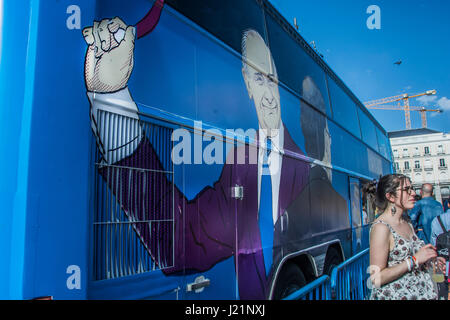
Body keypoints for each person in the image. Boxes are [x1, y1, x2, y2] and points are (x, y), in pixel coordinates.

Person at [83, 20, 310, 299]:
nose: (270, 97)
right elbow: (183, 239)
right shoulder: (240, 163)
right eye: (259, 79)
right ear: (247, 83)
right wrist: (111, 99)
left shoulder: (304, 166)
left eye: (272, 80)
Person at [365, 174, 446, 300]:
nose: (413, 193)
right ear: (390, 196)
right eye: (406, 189)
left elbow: (411, 258)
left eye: (412, 188)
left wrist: (429, 261)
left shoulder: (406, 221)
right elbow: (376, 278)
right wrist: (414, 260)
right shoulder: (381, 227)